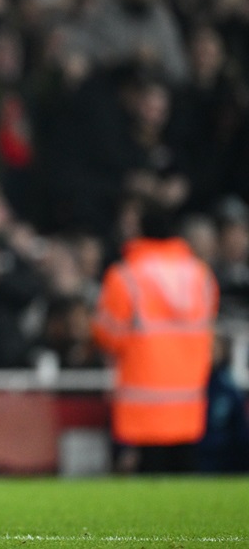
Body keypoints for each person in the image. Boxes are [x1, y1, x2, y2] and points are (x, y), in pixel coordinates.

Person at [91, 201, 218, 474]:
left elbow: (108, 336)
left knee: (150, 484)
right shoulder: (200, 275)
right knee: (185, 481)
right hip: (188, 399)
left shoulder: (126, 276)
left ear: (140, 231)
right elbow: (207, 324)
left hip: (143, 401)